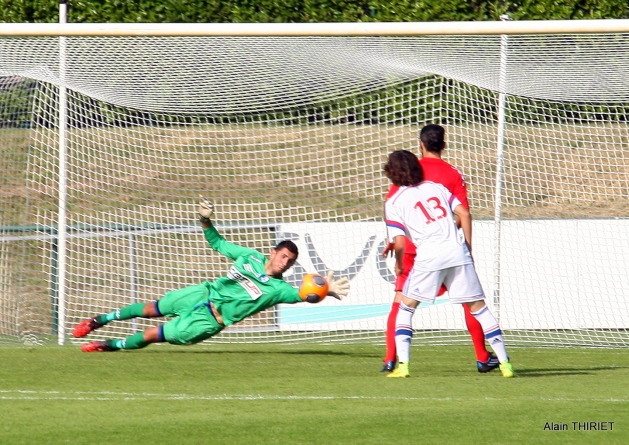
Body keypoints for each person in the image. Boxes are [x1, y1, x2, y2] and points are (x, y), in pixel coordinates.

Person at [73, 196, 350, 352]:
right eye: (283, 256)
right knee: (150, 308)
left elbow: (304, 294)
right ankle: (99, 320)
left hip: (209, 320)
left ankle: (108, 345)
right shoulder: (249, 256)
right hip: (202, 293)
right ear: (273, 252)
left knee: (150, 335)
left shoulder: (279, 289)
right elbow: (217, 243)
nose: (284, 263)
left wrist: (326, 290)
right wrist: (205, 220)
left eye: (289, 262)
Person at [383, 150, 514, 378]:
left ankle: (402, 366)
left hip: (429, 256)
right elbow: (463, 212)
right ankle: (505, 364)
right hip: (457, 252)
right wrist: (467, 246)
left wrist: (400, 264)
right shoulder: (437, 187)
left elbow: (400, 241)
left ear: (392, 172)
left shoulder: (394, 201)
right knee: (479, 309)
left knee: (405, 308)